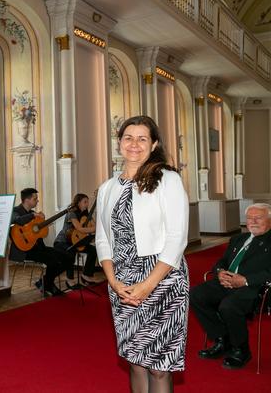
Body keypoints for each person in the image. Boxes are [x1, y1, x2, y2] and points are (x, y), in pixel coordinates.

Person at [95, 115, 189, 393]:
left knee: (159, 368)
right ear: (119, 142)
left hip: (163, 280)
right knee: (135, 362)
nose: (134, 144)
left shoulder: (167, 179)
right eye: (128, 137)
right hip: (122, 283)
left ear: (154, 144)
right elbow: (102, 240)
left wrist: (148, 285)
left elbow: (176, 238)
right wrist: (113, 282)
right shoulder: (107, 188)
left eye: (142, 138)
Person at [190, 203, 271, 369]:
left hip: (256, 287)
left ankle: (241, 349)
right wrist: (220, 272)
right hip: (226, 282)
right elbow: (222, 261)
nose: (253, 221)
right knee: (195, 294)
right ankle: (222, 338)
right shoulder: (238, 239)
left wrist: (245, 280)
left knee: (229, 306)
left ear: (269, 219)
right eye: (249, 218)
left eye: (259, 217)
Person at [10, 188, 68, 297]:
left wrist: (42, 223)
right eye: (35, 199)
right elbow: (18, 220)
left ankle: (44, 282)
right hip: (24, 250)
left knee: (67, 257)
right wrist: (34, 216)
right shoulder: (15, 211)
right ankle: (49, 285)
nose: (37, 201)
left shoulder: (33, 213)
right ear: (27, 200)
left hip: (39, 248)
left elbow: (42, 233)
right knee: (53, 260)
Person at [54, 193, 98, 287]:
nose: (87, 204)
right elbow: (79, 228)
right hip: (63, 242)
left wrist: (94, 225)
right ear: (78, 203)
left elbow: (94, 225)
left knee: (93, 250)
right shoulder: (71, 213)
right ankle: (69, 279)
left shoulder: (86, 214)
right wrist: (94, 229)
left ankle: (86, 275)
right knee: (71, 252)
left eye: (88, 202)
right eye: (85, 202)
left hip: (77, 241)